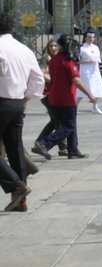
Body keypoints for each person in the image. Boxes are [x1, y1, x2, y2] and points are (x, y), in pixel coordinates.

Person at [0, 12, 46, 212]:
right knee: (15, 149)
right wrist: (25, 97)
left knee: (13, 148)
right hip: (18, 103)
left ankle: (17, 186)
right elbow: (38, 80)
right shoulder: (24, 50)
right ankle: (20, 200)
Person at [36, 35, 94, 160]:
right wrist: (90, 94)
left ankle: (73, 150)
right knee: (69, 126)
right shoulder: (68, 61)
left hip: (54, 97)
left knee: (69, 123)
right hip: (66, 98)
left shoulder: (54, 60)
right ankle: (44, 144)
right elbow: (76, 80)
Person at [78, 31, 102, 113]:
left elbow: (98, 59)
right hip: (85, 71)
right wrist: (87, 61)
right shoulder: (82, 48)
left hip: (95, 70)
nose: (91, 39)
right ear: (85, 38)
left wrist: (94, 61)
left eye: (92, 37)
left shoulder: (96, 47)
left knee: (96, 87)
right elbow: (77, 61)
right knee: (84, 88)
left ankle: (95, 107)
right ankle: (75, 107)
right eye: (89, 37)